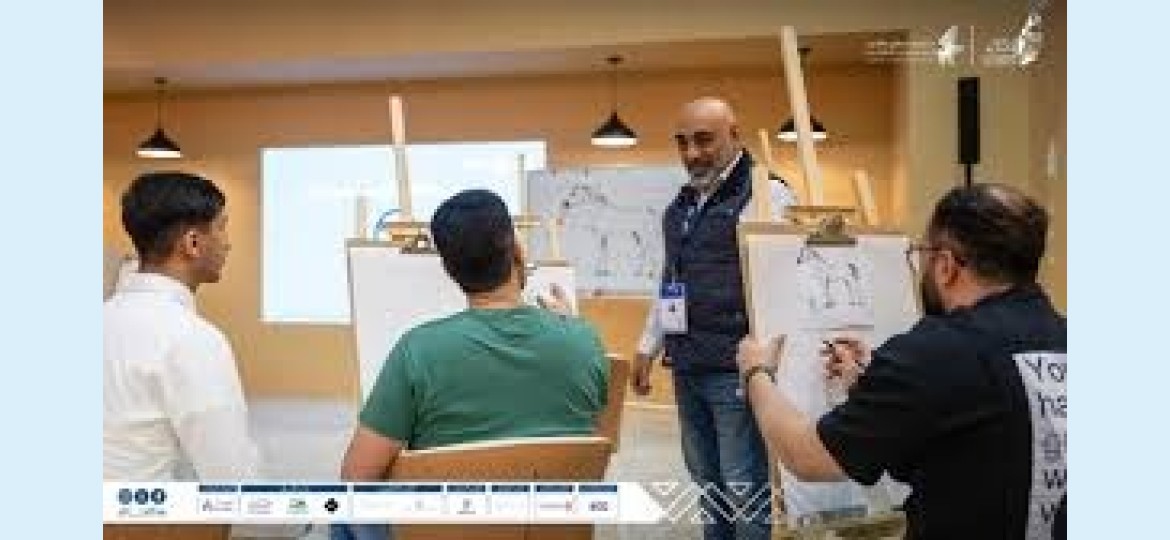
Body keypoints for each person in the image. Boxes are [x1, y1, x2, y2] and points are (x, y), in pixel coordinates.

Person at [736, 183, 1067, 539]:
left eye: (922, 254)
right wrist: (873, 385)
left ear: (945, 266)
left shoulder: (934, 354)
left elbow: (808, 456)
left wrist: (757, 371)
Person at [335, 189, 609, 539]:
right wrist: (571, 329)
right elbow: (594, 433)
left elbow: (356, 476)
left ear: (449, 269)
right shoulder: (583, 341)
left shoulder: (417, 351)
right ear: (517, 251)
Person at [633, 97, 795, 540]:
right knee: (707, 483)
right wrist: (649, 345)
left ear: (735, 135)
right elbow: (671, 279)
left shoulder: (767, 195)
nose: (692, 153)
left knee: (744, 487)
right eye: (682, 142)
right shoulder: (682, 205)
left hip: (736, 372)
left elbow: (782, 289)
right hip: (688, 365)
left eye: (704, 140)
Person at [104, 171, 260, 481]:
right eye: (222, 228)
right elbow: (231, 477)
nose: (228, 244)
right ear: (193, 243)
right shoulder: (193, 340)